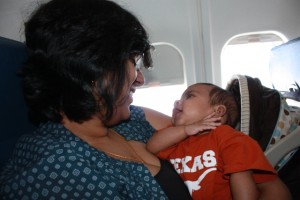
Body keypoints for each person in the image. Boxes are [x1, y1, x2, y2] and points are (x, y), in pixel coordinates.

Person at [0, 0, 208, 199]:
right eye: (134, 64)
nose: (141, 79)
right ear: (97, 71)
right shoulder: (57, 169)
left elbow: (208, 140)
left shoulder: (134, 118)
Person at [147, 83, 292, 200]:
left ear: (217, 112)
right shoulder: (176, 138)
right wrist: (185, 130)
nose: (177, 102)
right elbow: (152, 147)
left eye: (189, 96)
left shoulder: (226, 137)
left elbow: (240, 175)